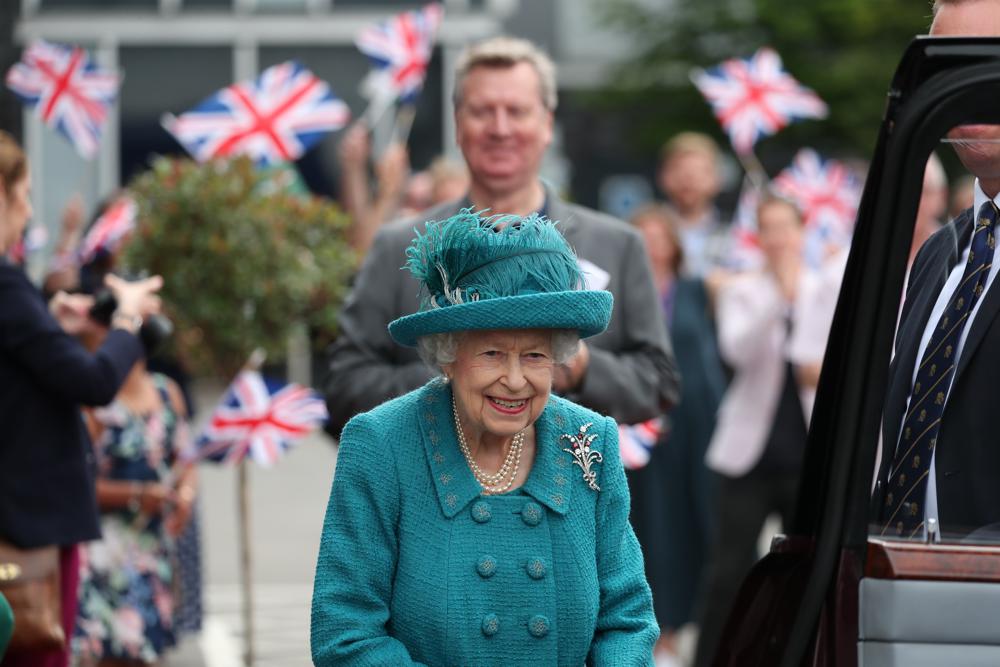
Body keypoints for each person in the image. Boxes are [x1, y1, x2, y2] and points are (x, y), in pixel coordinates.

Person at [311, 210, 658, 665]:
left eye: (534, 355)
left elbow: (627, 619)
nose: (515, 381)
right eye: (493, 354)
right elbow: (346, 634)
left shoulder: (590, 439)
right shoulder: (381, 445)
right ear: (448, 355)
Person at [323, 36, 679, 435]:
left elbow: (659, 383)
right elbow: (344, 387)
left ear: (546, 124)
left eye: (517, 110)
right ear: (458, 123)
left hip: (573, 488)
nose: (500, 128)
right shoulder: (398, 247)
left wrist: (576, 367)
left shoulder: (618, 245)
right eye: (482, 111)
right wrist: (460, 378)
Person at [0, 130, 162, 667]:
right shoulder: (6, 285)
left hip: (22, 519)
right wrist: (128, 318)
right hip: (27, 529)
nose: (25, 214)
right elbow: (94, 383)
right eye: (22, 197)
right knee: (40, 649)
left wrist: (51, 319)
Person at [872, 0, 1000, 541]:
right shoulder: (942, 251)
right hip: (902, 585)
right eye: (946, 68)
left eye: (988, 63)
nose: (964, 88)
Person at [693, 196, 834, 667]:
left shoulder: (825, 287)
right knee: (729, 568)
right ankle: (713, 657)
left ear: (801, 231)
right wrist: (778, 296)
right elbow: (736, 350)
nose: (777, 238)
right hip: (748, 452)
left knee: (810, 568)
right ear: (757, 236)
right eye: (767, 229)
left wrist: (800, 293)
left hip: (809, 452)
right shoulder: (744, 289)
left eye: (785, 228)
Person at [628, 204, 727, 665]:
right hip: (635, 423)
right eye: (642, 236)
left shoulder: (697, 290)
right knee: (643, 522)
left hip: (690, 424)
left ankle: (674, 627)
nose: (652, 246)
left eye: (658, 236)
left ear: (673, 243)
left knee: (688, 519)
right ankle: (641, 624)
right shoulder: (621, 293)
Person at [70, 310, 196, 666]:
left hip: (152, 547)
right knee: (111, 651)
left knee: (149, 649)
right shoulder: (95, 401)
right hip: (106, 551)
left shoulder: (166, 391)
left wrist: (184, 496)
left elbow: (186, 459)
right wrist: (139, 496)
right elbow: (77, 485)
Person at [656, 132, 730, 278]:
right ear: (664, 176)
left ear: (717, 179)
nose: (689, 180)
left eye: (698, 172)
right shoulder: (645, 232)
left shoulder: (735, 231)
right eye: (680, 171)